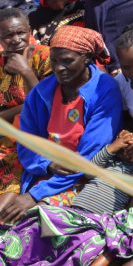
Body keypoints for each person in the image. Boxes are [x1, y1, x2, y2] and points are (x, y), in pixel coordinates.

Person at [0, 26, 120, 221]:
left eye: (67, 61)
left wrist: (34, 195)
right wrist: (47, 165)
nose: (58, 68)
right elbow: (26, 142)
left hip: (83, 177)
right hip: (44, 172)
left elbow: (87, 157)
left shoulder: (104, 90)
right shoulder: (43, 91)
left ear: (86, 58)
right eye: (54, 61)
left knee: (36, 222)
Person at [0, 8, 50, 195]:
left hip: (36, 136)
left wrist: (26, 71)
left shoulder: (46, 57)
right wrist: (23, 108)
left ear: (30, 31)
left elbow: (46, 106)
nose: (16, 39)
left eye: (21, 32)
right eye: (8, 35)